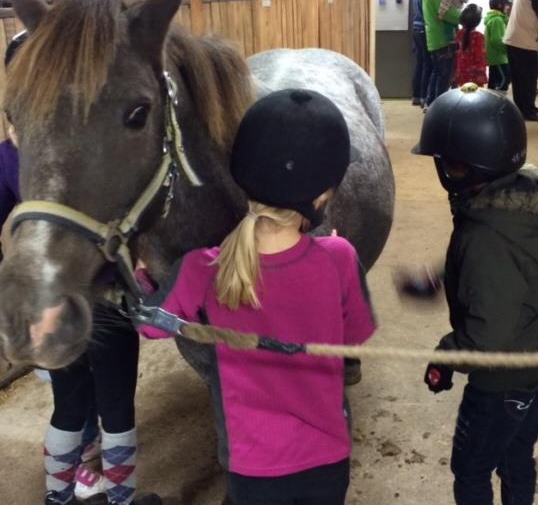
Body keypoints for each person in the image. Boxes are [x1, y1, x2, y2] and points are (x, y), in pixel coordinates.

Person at [139, 89, 376, 505]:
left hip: (250, 468)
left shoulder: (201, 268)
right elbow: (354, 337)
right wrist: (339, 259)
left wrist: (142, 280)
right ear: (322, 197)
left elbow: (148, 324)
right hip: (326, 462)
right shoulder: (339, 258)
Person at [1, 32, 160, 505]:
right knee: (117, 411)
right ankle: (120, 500)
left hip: (42, 302)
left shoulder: (6, 155)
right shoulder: (90, 148)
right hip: (102, 299)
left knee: (68, 407)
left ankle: (58, 498)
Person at [413, 83, 538, 505]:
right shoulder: (526, 196)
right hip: (533, 360)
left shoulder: (483, 236)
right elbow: (515, 264)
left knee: (471, 470)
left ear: (461, 169)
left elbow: (488, 334)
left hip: (500, 378)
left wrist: (446, 355)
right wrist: (445, 275)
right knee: (515, 455)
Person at [422, 0, 461, 107]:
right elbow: (447, 14)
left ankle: (430, 102)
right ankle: (440, 107)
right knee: (443, 76)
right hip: (442, 38)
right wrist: (462, 16)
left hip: (432, 38)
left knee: (436, 72)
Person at [412, 0, 433, 108]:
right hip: (425, 29)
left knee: (420, 63)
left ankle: (416, 95)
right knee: (428, 64)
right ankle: (425, 96)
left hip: (416, 28)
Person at [453, 4, 487, 87]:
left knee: (463, 94)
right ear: (478, 21)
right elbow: (479, 56)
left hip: (461, 70)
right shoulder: (478, 36)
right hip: (475, 74)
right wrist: (481, 72)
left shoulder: (459, 33)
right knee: (475, 96)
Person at [485, 0, 512, 91]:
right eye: (507, 5)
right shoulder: (497, 20)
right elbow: (497, 40)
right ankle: (499, 103)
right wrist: (507, 49)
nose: (508, 7)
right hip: (499, 58)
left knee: (493, 82)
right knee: (504, 81)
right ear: (500, 5)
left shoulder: (496, 18)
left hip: (495, 58)